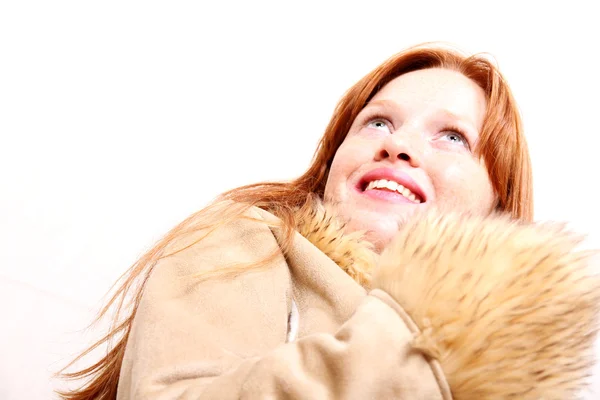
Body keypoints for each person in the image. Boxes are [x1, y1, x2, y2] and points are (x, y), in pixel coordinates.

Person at [59, 43, 600, 399]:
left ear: (499, 206)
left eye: (452, 136)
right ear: (333, 161)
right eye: (377, 122)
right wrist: (422, 343)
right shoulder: (252, 239)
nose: (398, 143)